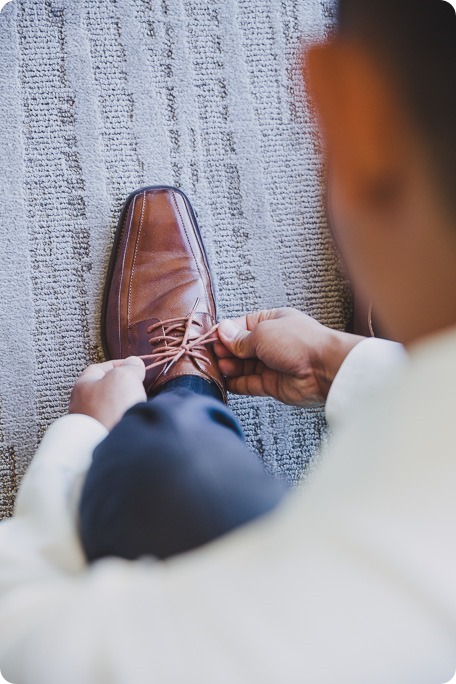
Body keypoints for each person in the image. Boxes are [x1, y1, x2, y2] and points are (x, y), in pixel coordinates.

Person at [0, 0, 456, 682]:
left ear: (344, 106)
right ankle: (189, 396)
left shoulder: (271, 636)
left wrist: (84, 441)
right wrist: (341, 368)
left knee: (178, 475)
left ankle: (182, 393)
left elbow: (23, 640)